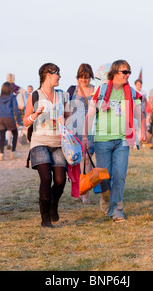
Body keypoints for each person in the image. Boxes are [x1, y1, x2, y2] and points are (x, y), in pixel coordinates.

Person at [85, 60, 146, 222]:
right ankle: (106, 200)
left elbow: (140, 114)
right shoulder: (102, 90)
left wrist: (143, 130)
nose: (127, 75)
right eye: (124, 72)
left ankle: (117, 209)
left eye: (128, 72)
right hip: (102, 139)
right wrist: (85, 136)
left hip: (123, 140)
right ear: (114, 73)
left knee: (119, 175)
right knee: (105, 176)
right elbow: (90, 114)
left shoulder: (132, 92)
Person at [23, 63, 69, 228]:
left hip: (58, 143)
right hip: (39, 142)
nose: (60, 76)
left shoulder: (63, 95)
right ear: (49, 74)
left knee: (60, 180)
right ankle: (45, 219)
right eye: (58, 73)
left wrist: (64, 121)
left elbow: (69, 118)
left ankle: (53, 204)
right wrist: (35, 115)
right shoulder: (34, 95)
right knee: (46, 178)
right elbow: (25, 120)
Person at [66, 63, 95, 204]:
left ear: (91, 76)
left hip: (90, 129)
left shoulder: (96, 91)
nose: (84, 80)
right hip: (74, 129)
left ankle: (85, 193)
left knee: (87, 159)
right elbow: (65, 109)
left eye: (87, 77)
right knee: (77, 160)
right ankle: (78, 188)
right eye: (81, 77)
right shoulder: (72, 90)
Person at [0, 82, 22, 160]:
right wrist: (19, 120)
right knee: (15, 133)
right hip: (9, 118)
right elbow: (16, 109)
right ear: (10, 88)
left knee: (2, 136)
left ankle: (1, 154)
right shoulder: (12, 97)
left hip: (0, 118)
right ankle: (13, 152)